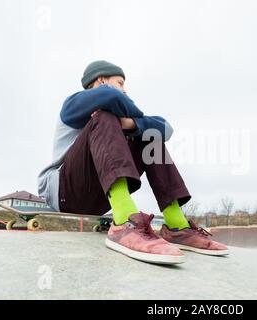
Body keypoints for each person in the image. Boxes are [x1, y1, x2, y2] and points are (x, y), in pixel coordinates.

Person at [37, 60, 229, 264]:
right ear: (101, 81)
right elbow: (111, 96)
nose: (124, 90)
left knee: (150, 137)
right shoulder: (72, 105)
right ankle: (124, 223)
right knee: (106, 116)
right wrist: (138, 119)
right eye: (120, 83)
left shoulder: (116, 109)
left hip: (99, 197)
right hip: (65, 193)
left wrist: (131, 123)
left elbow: (166, 129)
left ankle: (176, 226)